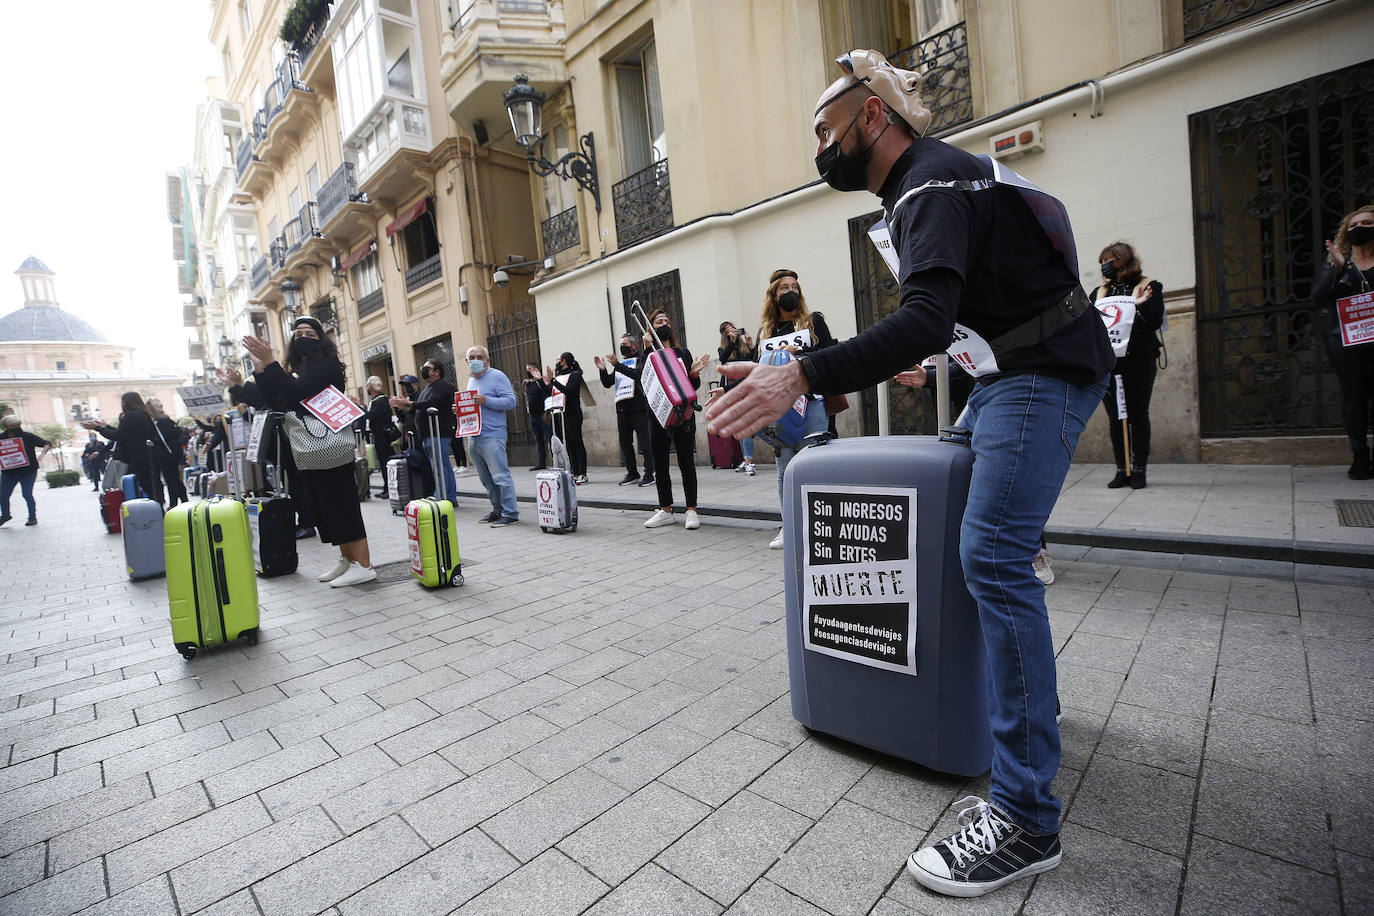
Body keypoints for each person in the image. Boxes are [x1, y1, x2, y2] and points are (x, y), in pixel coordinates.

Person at [706, 49, 1113, 898]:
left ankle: (1026, 820)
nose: (819, 146)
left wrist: (800, 373)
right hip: (1010, 369)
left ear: (872, 118)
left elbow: (925, 315)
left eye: (826, 128)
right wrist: (931, 354)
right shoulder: (927, 185)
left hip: (1038, 374)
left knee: (991, 556)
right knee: (993, 543)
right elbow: (958, 310)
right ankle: (1023, 707)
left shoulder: (926, 184)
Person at [241, 316, 376, 586]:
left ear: (321, 339)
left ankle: (364, 564)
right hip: (311, 448)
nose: (302, 337)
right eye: (298, 332)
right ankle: (347, 560)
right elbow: (274, 399)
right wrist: (260, 369)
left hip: (330, 446)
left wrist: (270, 363)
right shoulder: (303, 369)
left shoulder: (326, 366)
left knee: (342, 504)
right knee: (326, 506)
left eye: (309, 333)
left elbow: (294, 392)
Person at [756, 269, 837, 548]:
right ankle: (788, 525)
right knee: (784, 467)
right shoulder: (766, 332)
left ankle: (818, 525)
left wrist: (798, 355)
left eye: (795, 287)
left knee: (813, 463)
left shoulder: (812, 322)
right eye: (784, 288)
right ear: (774, 295)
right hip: (782, 408)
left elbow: (829, 353)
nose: (790, 292)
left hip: (812, 401)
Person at [625, 309, 711, 529]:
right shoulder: (648, 354)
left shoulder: (682, 353)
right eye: (658, 321)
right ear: (650, 327)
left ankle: (691, 510)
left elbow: (692, 386)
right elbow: (644, 379)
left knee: (686, 463)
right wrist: (645, 349)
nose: (664, 323)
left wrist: (693, 375)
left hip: (684, 415)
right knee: (661, 464)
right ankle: (666, 509)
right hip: (658, 416)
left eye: (666, 320)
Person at [1092, 242, 1165, 490]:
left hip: (1139, 359)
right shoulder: (1099, 292)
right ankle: (1122, 468)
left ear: (1125, 260)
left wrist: (1139, 306)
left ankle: (1140, 467)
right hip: (1110, 364)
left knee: (1137, 414)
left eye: (1111, 260)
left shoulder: (1149, 286)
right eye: (1103, 261)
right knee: (1115, 417)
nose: (1106, 265)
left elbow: (1154, 321)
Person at [1315, 204, 1374, 479]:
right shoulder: (1339, 264)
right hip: (1347, 340)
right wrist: (1337, 269)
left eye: (1365, 223)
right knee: (1354, 398)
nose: (1358, 228)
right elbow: (1317, 298)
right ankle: (1360, 456)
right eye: (1352, 225)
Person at [464, 346, 519, 526]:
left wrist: (486, 401)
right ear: (467, 361)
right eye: (471, 357)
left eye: (480, 357)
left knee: (500, 476)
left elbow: (511, 401)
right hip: (474, 436)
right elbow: (473, 405)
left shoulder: (497, 376)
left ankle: (510, 513)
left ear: (487, 360)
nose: (475, 360)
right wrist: (460, 409)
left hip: (493, 436)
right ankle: (497, 510)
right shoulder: (471, 380)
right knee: (486, 479)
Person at [389, 360, 457, 499]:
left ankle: (447, 496)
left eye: (427, 368)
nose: (424, 370)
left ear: (437, 371)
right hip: (427, 434)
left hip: (438, 432)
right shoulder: (427, 388)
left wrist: (408, 403)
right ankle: (441, 494)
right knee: (435, 466)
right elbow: (418, 406)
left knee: (441, 466)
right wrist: (402, 405)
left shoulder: (442, 386)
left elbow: (431, 403)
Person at [596, 334, 656, 487]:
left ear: (634, 346)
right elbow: (608, 383)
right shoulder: (621, 363)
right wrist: (603, 370)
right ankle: (632, 473)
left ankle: (650, 473)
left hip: (639, 408)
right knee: (625, 443)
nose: (622, 346)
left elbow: (638, 375)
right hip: (622, 409)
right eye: (621, 343)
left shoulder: (641, 359)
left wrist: (617, 365)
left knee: (645, 442)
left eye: (625, 343)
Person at [83, 392, 159, 503]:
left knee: (147, 486)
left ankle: (157, 511)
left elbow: (118, 436)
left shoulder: (130, 416)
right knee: (153, 486)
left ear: (125, 402)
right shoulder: (144, 415)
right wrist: (106, 427)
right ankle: (159, 508)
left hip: (138, 457)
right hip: (149, 456)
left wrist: (97, 428)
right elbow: (124, 433)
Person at [718, 321, 758, 475]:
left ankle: (749, 462)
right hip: (732, 389)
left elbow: (755, 360)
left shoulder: (745, 347)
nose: (732, 332)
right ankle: (745, 459)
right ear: (724, 334)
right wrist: (732, 342)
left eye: (733, 329)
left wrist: (751, 344)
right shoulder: (724, 348)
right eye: (728, 330)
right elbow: (722, 359)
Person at [546, 352, 589, 485]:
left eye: (558, 359)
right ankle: (574, 471)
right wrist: (544, 381)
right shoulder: (558, 376)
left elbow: (569, 391)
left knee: (577, 442)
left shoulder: (575, 375)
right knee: (568, 444)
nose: (557, 361)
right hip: (561, 413)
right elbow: (551, 392)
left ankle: (582, 472)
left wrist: (553, 380)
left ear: (564, 361)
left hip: (573, 413)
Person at [0, 415, 51, 526]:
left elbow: (46, 443)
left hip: (28, 471)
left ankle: (32, 517)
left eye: (18, 425)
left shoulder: (27, 436)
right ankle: (5, 515)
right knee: (3, 495)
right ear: (6, 426)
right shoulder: (1, 438)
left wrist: (42, 454)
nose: (16, 427)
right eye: (13, 425)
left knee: (27, 494)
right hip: (9, 472)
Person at [146, 398, 188, 508]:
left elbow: (165, 438)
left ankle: (176, 503)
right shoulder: (163, 420)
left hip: (168, 455)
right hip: (171, 454)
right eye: (156, 403)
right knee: (175, 480)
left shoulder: (161, 421)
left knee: (172, 480)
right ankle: (182, 501)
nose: (159, 404)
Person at [366, 376, 400, 498]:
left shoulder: (380, 401)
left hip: (382, 436)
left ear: (371, 387)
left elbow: (373, 416)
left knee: (385, 461)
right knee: (384, 461)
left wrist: (361, 412)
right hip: (380, 434)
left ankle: (389, 488)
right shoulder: (378, 400)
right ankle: (387, 487)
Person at [522, 363, 553, 471]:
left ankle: (557, 461)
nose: (529, 371)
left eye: (530, 369)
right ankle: (541, 463)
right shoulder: (527, 384)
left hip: (543, 415)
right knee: (538, 440)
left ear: (536, 369)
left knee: (550, 438)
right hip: (533, 416)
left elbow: (548, 394)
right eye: (527, 370)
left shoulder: (542, 381)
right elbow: (527, 398)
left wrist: (546, 412)